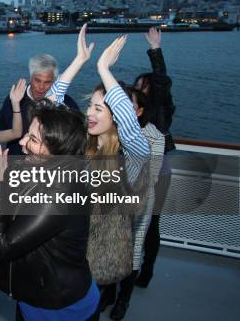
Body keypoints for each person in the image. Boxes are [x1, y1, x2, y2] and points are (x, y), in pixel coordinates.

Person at [0, 24, 100, 321]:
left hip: (58, 307)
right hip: (32, 294)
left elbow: (3, 246)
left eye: (32, 139)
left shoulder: (61, 193)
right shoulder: (51, 170)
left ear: (56, 148)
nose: (22, 142)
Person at [82, 35, 151, 321]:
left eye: (98, 108)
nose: (88, 112)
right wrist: (78, 63)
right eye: (90, 106)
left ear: (116, 117)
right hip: (73, 249)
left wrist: (104, 70)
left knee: (88, 311)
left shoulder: (131, 154)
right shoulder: (84, 145)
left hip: (101, 257)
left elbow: (131, 128)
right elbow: (52, 107)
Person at [108, 88, 165, 320]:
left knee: (132, 252)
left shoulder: (154, 136)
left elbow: (151, 176)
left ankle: (124, 299)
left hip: (137, 204)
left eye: (128, 106)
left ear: (139, 110)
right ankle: (108, 292)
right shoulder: (110, 131)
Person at [133, 27, 175, 288]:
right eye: (137, 87)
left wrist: (156, 52)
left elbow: (161, 82)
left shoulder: (161, 108)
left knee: (151, 223)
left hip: (158, 172)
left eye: (142, 87)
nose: (138, 90)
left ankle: (146, 269)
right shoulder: (133, 112)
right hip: (135, 170)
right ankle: (128, 269)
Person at [0, 52, 80, 156]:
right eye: (37, 80)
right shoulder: (14, 98)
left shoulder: (66, 104)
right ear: (30, 76)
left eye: (47, 82)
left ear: (55, 81)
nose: (41, 87)